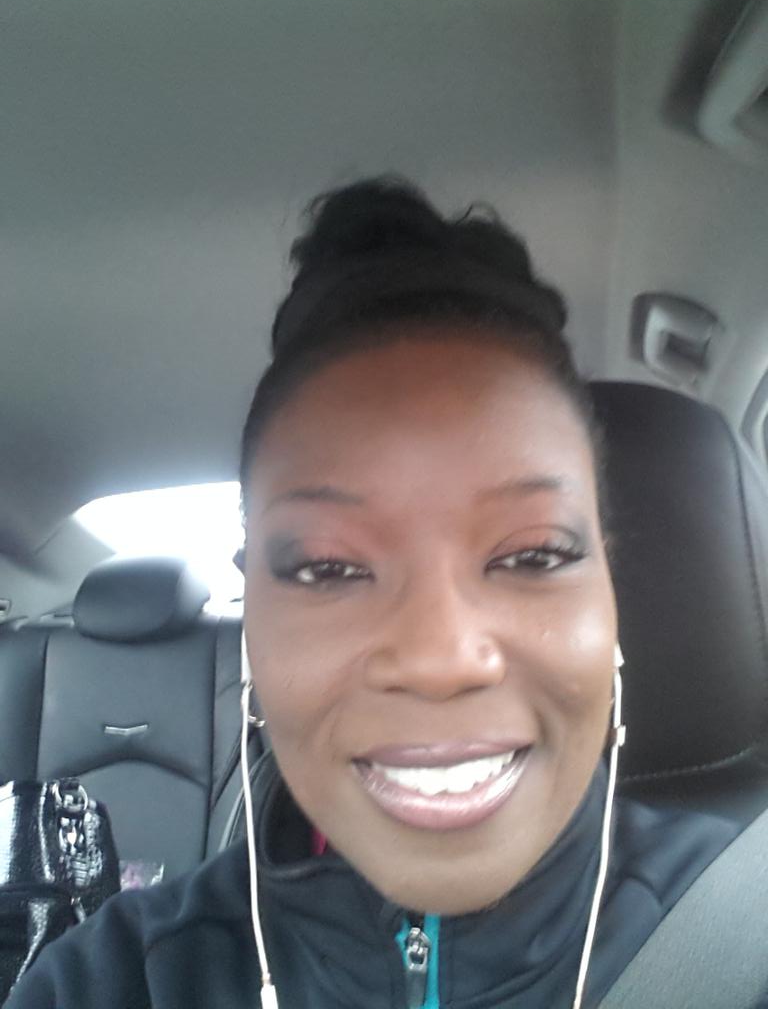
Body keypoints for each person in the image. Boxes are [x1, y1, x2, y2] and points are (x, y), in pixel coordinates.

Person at [6, 178, 736, 1009]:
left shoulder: (741, 927)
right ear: (252, 615)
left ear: (608, 586)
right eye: (327, 567)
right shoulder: (111, 983)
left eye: (534, 555)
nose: (439, 661)